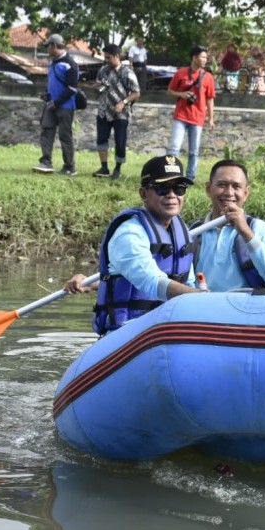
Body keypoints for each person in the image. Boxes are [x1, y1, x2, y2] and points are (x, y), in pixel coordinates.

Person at [64, 155, 201, 334]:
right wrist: (203, 299)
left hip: (164, 330)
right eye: (162, 188)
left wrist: (203, 297)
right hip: (127, 334)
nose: (172, 195)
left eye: (179, 188)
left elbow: (188, 282)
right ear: (143, 193)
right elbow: (152, 283)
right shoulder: (129, 233)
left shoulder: (180, 234)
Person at [190, 159, 265, 291]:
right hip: (204, 308)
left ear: (246, 193)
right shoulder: (194, 232)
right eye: (222, 184)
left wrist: (246, 233)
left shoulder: (262, 230)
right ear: (208, 189)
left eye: (236, 186)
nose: (229, 193)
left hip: (248, 309)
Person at [165, 45, 216, 184]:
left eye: (206, 57)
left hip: (198, 118)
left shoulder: (208, 77)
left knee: (194, 151)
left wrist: (211, 119)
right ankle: (170, 175)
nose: (205, 60)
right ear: (194, 58)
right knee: (174, 148)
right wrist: (181, 94)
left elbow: (210, 99)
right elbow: (169, 91)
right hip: (180, 116)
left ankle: (189, 178)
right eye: (202, 57)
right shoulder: (180, 73)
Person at [91, 43, 141, 180]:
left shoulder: (127, 72)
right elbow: (96, 84)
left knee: (120, 141)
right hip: (103, 110)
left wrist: (123, 102)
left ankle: (117, 168)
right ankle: (104, 167)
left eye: (108, 57)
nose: (106, 60)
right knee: (101, 139)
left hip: (121, 113)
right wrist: (98, 85)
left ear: (116, 56)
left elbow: (136, 93)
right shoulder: (103, 70)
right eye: (105, 57)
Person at [33, 34, 80, 176]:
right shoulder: (52, 63)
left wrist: (57, 102)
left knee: (65, 136)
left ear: (54, 46)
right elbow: (53, 84)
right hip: (50, 105)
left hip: (65, 106)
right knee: (46, 132)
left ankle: (69, 167)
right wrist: (47, 95)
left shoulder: (70, 64)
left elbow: (73, 88)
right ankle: (46, 162)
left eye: (48, 46)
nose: (47, 49)